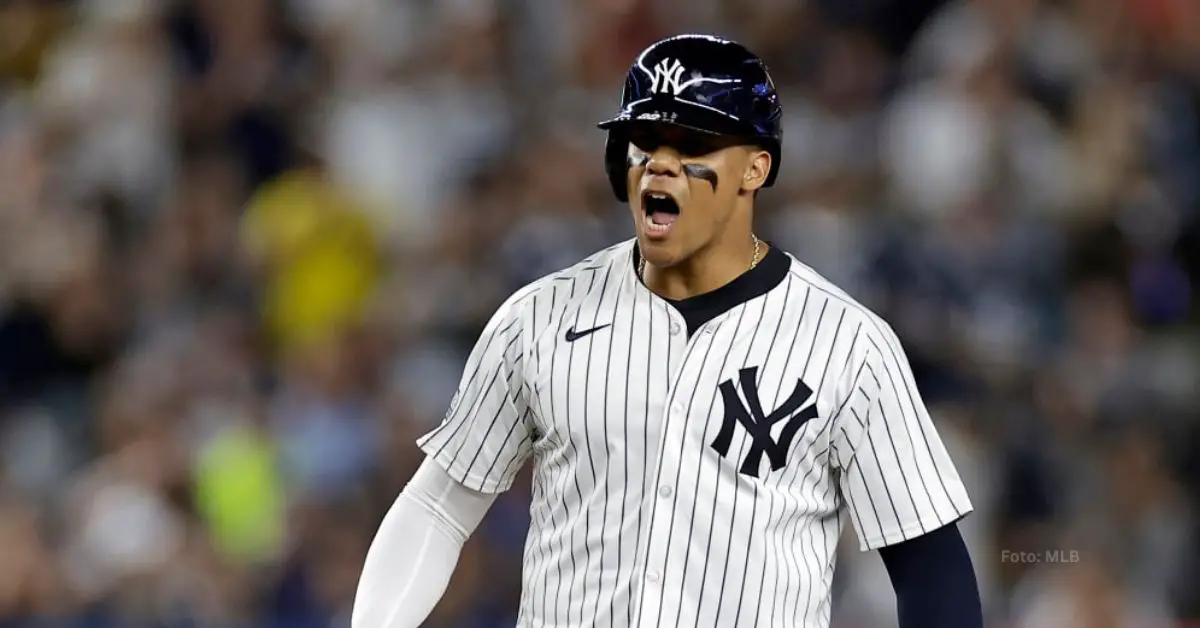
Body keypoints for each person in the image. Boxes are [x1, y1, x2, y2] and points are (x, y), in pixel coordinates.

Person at [351, 34, 983, 628]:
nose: (660, 165)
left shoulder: (847, 343)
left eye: (692, 145)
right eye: (645, 142)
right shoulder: (539, 318)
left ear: (755, 169)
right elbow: (437, 507)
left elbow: (929, 562)